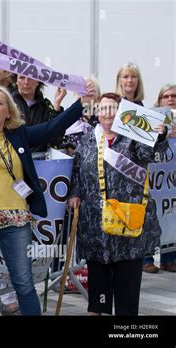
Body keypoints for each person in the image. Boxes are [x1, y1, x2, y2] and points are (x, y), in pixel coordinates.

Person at [0, 58, 93, 316]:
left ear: (9, 111)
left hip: (16, 222)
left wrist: (81, 104)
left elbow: (54, 126)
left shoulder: (20, 135)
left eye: (0, 102)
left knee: (24, 283)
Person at [69, 93, 168, 315]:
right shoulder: (87, 140)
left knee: (127, 287)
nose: (108, 113)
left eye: (113, 108)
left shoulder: (133, 138)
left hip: (128, 223)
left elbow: (150, 153)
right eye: (103, 108)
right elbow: (76, 171)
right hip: (96, 224)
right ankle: (98, 308)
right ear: (97, 113)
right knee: (98, 290)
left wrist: (159, 137)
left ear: (122, 113)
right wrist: (74, 194)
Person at [142, 83, 176, 273]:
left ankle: (169, 258)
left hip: (171, 182)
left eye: (174, 96)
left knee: (171, 215)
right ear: (160, 100)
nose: (171, 99)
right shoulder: (153, 118)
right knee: (151, 216)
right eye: (166, 96)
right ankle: (147, 258)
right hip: (154, 181)